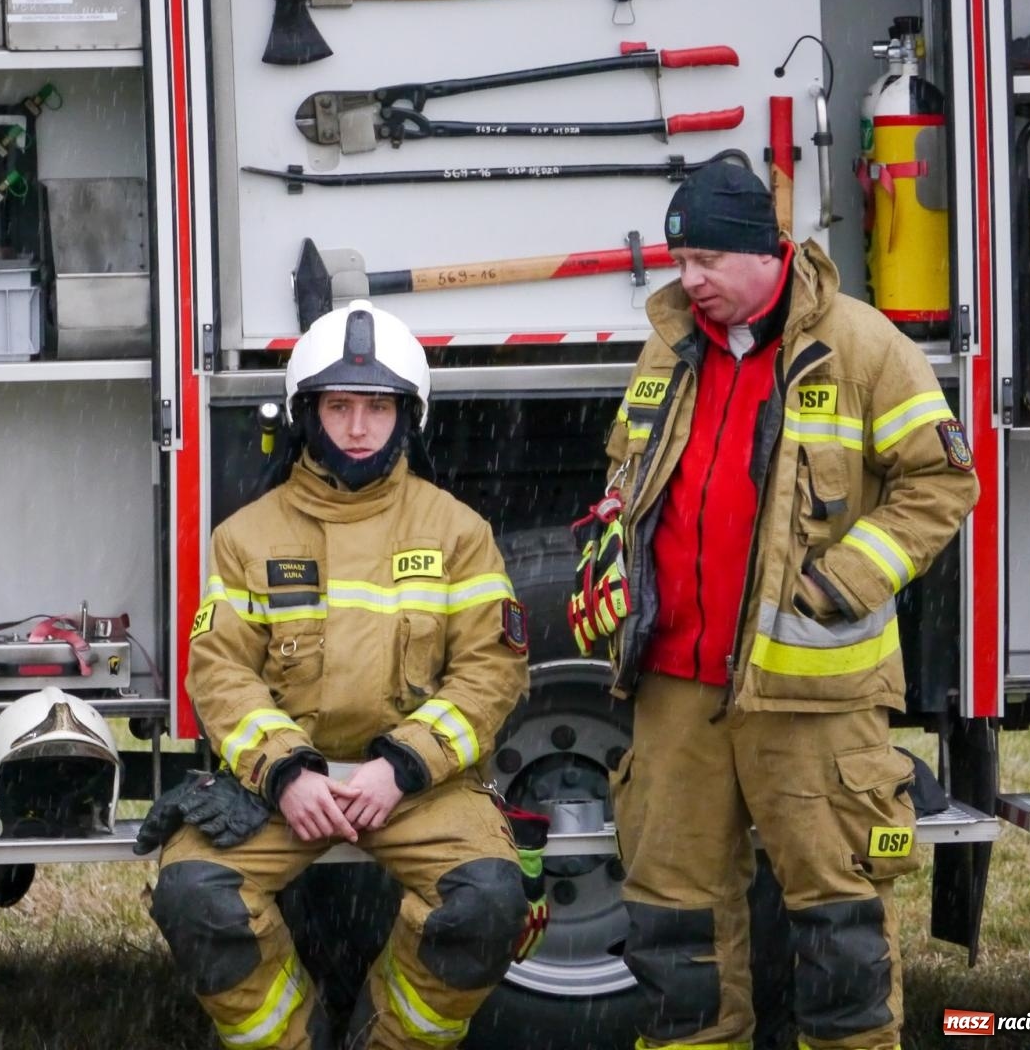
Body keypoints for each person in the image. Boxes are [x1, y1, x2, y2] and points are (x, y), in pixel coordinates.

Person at [596, 159, 979, 1050]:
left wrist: (838, 583)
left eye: (704, 260)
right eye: (677, 256)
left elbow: (941, 481)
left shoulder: (860, 347)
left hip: (813, 697)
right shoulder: (670, 345)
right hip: (675, 687)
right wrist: (606, 553)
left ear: (765, 254)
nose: (686, 279)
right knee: (674, 934)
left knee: (840, 931)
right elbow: (631, 476)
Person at [139, 299, 533, 1050]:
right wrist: (286, 773)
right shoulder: (247, 537)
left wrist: (403, 767)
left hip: (419, 789)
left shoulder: (457, 530)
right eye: (339, 406)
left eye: (378, 407)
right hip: (286, 790)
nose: (358, 428)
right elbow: (221, 673)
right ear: (306, 413)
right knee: (195, 899)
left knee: (484, 906)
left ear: (408, 415)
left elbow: (490, 671)